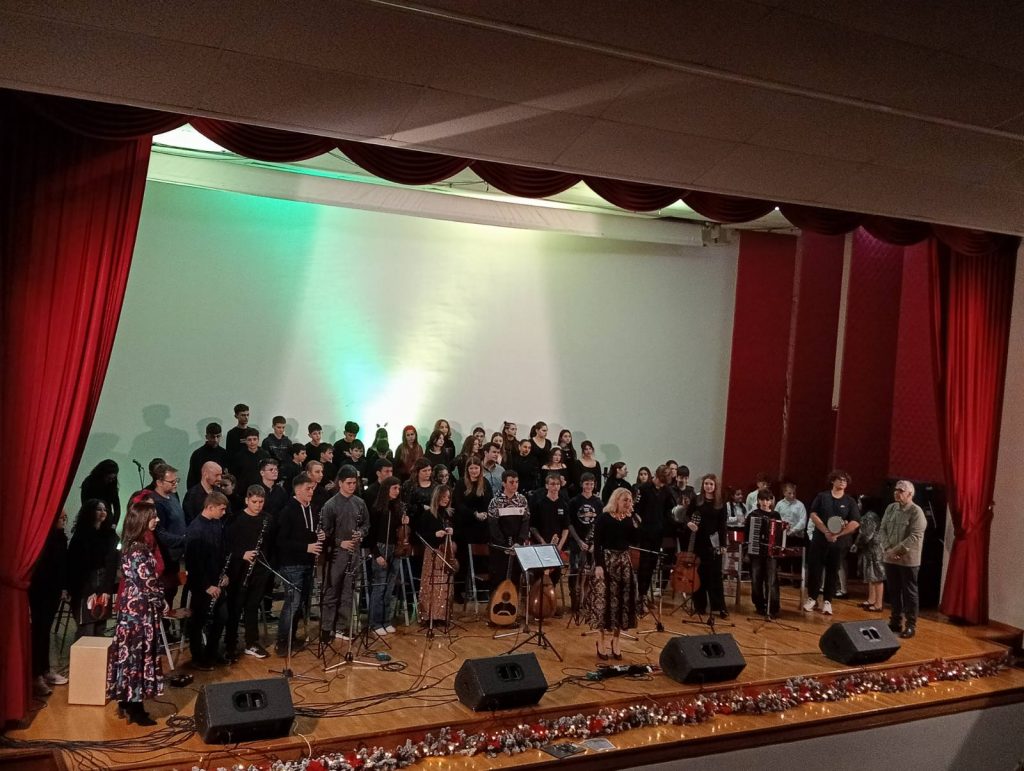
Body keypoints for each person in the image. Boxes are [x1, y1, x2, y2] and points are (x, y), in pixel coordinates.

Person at [106, 498, 166, 726]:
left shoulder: (132, 544)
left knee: (131, 656)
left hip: (133, 609)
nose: (157, 520)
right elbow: (148, 582)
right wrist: (161, 601)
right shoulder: (139, 550)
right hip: (139, 612)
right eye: (153, 516)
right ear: (142, 519)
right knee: (137, 656)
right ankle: (135, 707)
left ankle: (127, 701)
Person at [585, 487, 641, 661]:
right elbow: (597, 543)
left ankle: (616, 640)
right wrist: (599, 565)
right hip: (607, 560)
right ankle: (601, 640)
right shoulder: (604, 518)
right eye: (625, 500)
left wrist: (634, 522)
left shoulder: (629, 519)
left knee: (623, 601)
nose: (628, 503)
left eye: (630, 501)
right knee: (604, 601)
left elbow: (635, 540)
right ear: (616, 500)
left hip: (623, 561)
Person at [274, 473, 326, 654]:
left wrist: (319, 535)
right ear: (297, 490)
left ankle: (292, 638)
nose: (311, 492)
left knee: (300, 603)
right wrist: (306, 547)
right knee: (292, 603)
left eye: (312, 488)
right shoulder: (288, 511)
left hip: (307, 562)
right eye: (308, 489)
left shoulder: (313, 509)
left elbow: (309, 533)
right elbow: (281, 541)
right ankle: (282, 642)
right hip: (292, 564)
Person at [318, 466, 369, 643]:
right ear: (340, 483)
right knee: (332, 591)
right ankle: (326, 628)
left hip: (353, 553)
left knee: (348, 591)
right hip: (336, 554)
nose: (352, 486)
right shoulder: (330, 505)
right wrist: (340, 542)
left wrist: (360, 533)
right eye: (349, 483)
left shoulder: (360, 503)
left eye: (354, 483)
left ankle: (342, 626)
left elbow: (366, 525)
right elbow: (324, 533)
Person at [803, 470, 860, 616]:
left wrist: (838, 534)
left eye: (845, 480)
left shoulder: (850, 501)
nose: (842, 482)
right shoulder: (822, 497)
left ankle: (828, 601)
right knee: (815, 570)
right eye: (839, 479)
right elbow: (813, 514)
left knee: (832, 572)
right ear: (832, 481)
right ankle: (812, 598)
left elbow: (855, 522)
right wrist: (825, 532)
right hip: (819, 540)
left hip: (838, 543)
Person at [184, 491, 230, 670]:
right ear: (210, 507)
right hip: (201, 584)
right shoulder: (195, 529)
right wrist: (206, 586)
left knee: (221, 617)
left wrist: (224, 575)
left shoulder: (217, 523)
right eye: (221, 509)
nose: (224, 513)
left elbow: (221, 552)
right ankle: (198, 657)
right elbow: (193, 563)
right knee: (199, 621)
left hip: (216, 580)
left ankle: (212, 652)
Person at [224, 486, 272, 660]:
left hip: (259, 571)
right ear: (246, 500)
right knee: (235, 609)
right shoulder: (235, 519)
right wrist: (242, 554)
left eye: (261, 502)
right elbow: (226, 545)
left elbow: (270, 545)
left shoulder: (267, 519)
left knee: (252, 607)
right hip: (238, 571)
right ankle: (230, 645)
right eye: (254, 502)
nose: (258, 505)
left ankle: (251, 643)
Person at [29, 509, 69, 698]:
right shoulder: (41, 539)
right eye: (61, 517)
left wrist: (63, 587)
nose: (64, 520)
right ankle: (36, 674)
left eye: (65, 517)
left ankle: (44, 670)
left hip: (53, 590)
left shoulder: (61, 538)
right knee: (38, 632)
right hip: (39, 589)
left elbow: (62, 566)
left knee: (45, 632)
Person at [880, 481, 927, 639]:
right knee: (894, 591)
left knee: (909, 592)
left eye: (901, 491)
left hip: (908, 560)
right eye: (896, 490)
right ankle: (895, 621)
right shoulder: (891, 508)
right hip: (890, 558)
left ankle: (910, 625)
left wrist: (896, 551)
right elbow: (882, 529)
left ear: (910, 494)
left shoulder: (916, 511)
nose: (897, 493)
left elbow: (915, 536)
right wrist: (888, 549)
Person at [67, 499, 119, 639]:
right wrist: (88, 591)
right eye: (99, 509)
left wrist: (106, 589)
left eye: (105, 510)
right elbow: (76, 566)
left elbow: (112, 563)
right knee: (87, 628)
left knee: (100, 626)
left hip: (103, 582)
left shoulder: (110, 535)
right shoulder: (80, 535)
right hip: (85, 585)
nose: (103, 512)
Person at [367, 477, 407, 635]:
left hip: (395, 549)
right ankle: (375, 622)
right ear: (386, 489)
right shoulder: (377, 509)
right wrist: (376, 554)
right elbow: (371, 535)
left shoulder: (398, 508)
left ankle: (386, 620)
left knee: (390, 587)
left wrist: (404, 522)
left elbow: (399, 532)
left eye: (398, 488)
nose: (397, 491)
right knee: (380, 586)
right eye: (394, 488)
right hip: (381, 547)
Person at [452, 455, 492, 604]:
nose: (474, 471)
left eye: (476, 468)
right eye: (471, 468)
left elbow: (489, 501)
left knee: (481, 561)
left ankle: (481, 591)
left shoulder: (485, 483)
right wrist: (474, 514)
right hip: (465, 528)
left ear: (480, 469)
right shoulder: (460, 484)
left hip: (481, 529)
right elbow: (459, 505)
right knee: (463, 561)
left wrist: (485, 514)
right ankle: (459, 592)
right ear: (467, 469)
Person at [688, 473, 729, 619]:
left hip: (714, 543)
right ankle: (700, 606)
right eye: (706, 483)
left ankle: (719, 606)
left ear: (715, 486)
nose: (708, 486)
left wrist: (723, 545)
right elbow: (687, 515)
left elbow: (722, 525)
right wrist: (689, 523)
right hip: (699, 541)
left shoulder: (721, 503)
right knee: (699, 574)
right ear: (703, 485)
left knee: (715, 575)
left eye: (711, 484)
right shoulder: (696, 500)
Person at [417, 485, 456, 627]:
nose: (446, 499)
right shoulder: (428, 514)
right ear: (437, 497)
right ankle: (428, 616)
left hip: (446, 552)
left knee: (445, 583)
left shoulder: (448, 514)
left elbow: (454, 532)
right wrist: (435, 534)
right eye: (443, 496)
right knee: (431, 583)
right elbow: (420, 535)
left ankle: (442, 615)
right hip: (433, 552)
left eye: (448, 497)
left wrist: (451, 531)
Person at [633, 465, 672, 601]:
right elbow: (636, 509)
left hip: (658, 532)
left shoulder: (666, 490)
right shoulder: (643, 489)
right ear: (656, 476)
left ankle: (645, 593)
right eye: (661, 481)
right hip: (645, 531)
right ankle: (641, 593)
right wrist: (639, 523)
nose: (661, 484)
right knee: (644, 563)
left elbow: (669, 510)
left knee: (652, 563)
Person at [487, 470, 530, 591]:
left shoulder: (522, 500)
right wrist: (504, 545)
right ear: (503, 483)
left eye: (516, 482)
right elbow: (493, 526)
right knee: (499, 578)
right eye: (511, 482)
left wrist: (519, 542)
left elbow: (526, 522)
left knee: (515, 578)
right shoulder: (495, 502)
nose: (514, 485)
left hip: (517, 546)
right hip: (500, 548)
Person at [567, 472, 601, 614]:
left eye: (591, 484)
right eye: (587, 484)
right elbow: (569, 524)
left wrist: (594, 544)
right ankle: (575, 601)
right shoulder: (574, 501)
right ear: (582, 484)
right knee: (575, 572)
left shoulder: (598, 502)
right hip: (577, 542)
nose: (589, 487)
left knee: (589, 574)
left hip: (592, 544)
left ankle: (586, 601)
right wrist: (579, 541)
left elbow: (600, 525)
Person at [746, 489, 783, 618]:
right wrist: (748, 549)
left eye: (767, 500)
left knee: (771, 580)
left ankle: (773, 607)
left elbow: (779, 533)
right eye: (762, 499)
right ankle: (759, 605)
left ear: (771, 501)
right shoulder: (753, 515)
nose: (765, 502)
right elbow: (747, 534)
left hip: (771, 553)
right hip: (756, 551)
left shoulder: (776, 515)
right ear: (758, 500)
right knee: (756, 579)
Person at [529, 473, 569, 589]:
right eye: (552, 484)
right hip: (541, 546)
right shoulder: (539, 504)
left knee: (554, 577)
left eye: (557, 484)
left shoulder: (563, 504)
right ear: (547, 486)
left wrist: (559, 546)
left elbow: (566, 528)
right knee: (538, 577)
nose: (555, 487)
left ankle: (550, 598)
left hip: (557, 548)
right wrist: (543, 543)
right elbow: (533, 527)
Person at [854, 495, 886, 613]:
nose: (858, 505)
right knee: (871, 575)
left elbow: (866, 535)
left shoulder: (869, 517)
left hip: (875, 549)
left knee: (877, 576)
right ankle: (871, 599)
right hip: (870, 549)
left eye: (859, 502)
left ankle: (878, 604)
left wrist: (857, 544)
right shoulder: (870, 516)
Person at [80, 459, 121, 527]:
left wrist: (114, 523)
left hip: (107, 521)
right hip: (90, 520)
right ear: (102, 474)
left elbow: (117, 507)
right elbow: (85, 505)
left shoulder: (112, 485)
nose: (111, 481)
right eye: (109, 478)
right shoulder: (89, 483)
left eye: (113, 478)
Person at [187, 422, 228, 489]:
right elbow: (192, 479)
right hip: (201, 491)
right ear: (206, 437)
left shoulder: (225, 454)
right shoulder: (197, 454)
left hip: (220, 491)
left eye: (218, 436)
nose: (215, 440)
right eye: (212, 437)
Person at [182, 461, 223, 525]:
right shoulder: (192, 495)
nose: (220, 479)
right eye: (216, 475)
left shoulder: (219, 491)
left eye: (220, 475)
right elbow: (189, 519)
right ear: (205, 474)